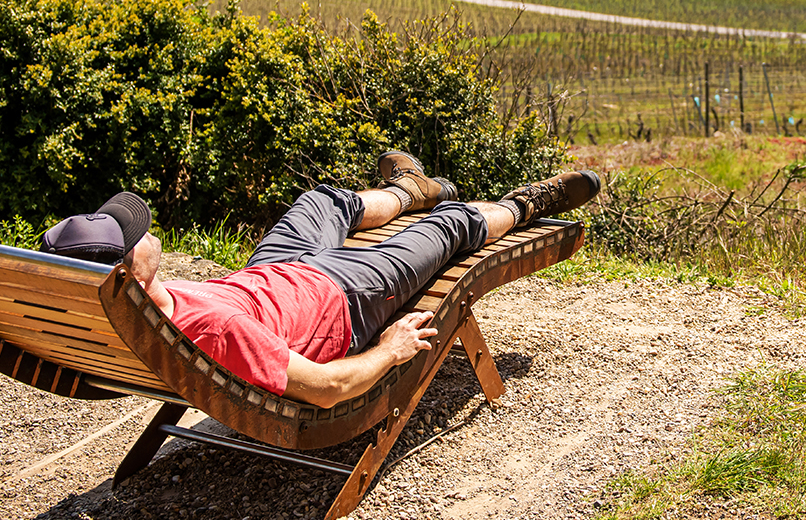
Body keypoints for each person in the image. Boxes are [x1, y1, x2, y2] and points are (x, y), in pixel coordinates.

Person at [40, 153, 599, 408]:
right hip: (345, 298)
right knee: (449, 227)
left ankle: (409, 189)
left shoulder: (138, 310)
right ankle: (526, 203)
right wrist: (391, 350)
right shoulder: (215, 330)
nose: (144, 228)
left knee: (321, 200)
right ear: (127, 273)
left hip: (282, 270)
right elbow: (326, 390)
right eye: (133, 235)